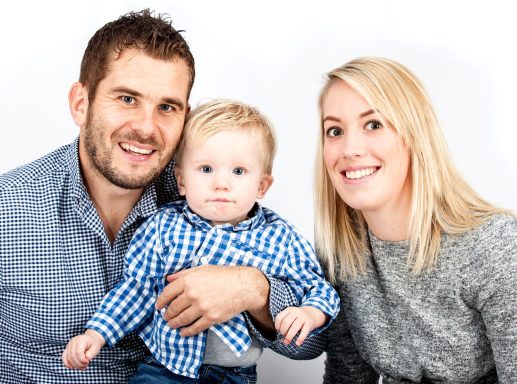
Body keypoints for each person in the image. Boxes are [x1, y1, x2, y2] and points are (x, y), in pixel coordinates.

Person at [0, 10, 280, 384]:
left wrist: (253, 289)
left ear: (186, 118)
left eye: (167, 107)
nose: (147, 127)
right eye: (128, 99)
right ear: (81, 103)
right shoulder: (9, 205)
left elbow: (311, 345)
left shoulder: (209, 193)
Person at [256, 57, 517, 383]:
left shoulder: (495, 247)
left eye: (373, 125)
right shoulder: (342, 251)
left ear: (414, 135)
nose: (350, 149)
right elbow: (347, 375)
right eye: (334, 131)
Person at [61, 99, 340, 383]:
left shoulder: (279, 237)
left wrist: (310, 312)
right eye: (206, 169)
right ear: (181, 181)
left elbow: (318, 287)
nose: (221, 183)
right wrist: (96, 333)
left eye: (239, 171)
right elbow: (136, 290)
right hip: (164, 369)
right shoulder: (162, 227)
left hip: (234, 376)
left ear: (262, 186)